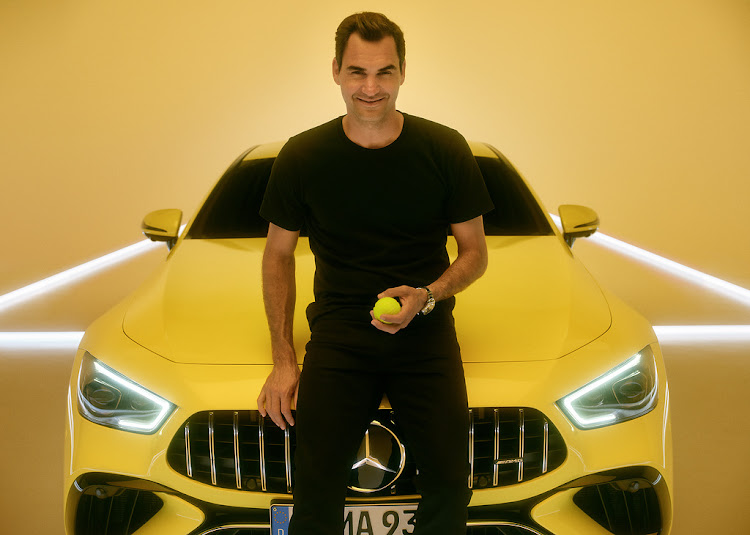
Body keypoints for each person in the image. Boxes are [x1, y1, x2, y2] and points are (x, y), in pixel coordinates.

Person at [257, 11, 494, 535]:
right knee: (314, 488)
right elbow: (277, 255)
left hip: (426, 329)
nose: (370, 87)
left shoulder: (444, 149)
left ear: (403, 72)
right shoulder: (303, 156)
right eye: (358, 72)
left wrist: (427, 295)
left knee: (451, 485)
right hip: (340, 333)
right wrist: (283, 359)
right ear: (336, 71)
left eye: (384, 72)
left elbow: (474, 252)